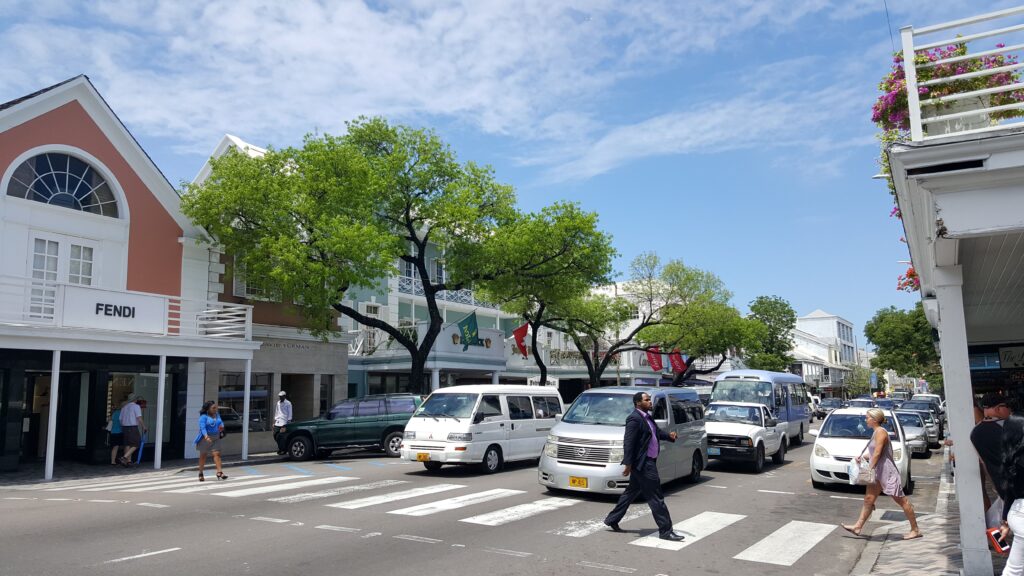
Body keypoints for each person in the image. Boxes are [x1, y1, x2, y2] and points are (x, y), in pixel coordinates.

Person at [604, 392, 685, 541]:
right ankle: (666, 531)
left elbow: (655, 433)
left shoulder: (647, 418)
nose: (650, 402)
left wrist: (669, 436)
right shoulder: (634, 419)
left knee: (630, 493)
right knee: (656, 497)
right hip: (644, 464)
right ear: (637, 403)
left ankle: (612, 519)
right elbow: (628, 443)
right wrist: (628, 465)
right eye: (647, 400)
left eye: (649, 400)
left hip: (648, 462)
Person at [842, 408, 921, 540]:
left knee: (901, 500)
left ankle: (915, 529)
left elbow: (878, 453)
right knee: (869, 499)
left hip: (886, 472)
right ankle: (858, 526)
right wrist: (863, 457)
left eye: (867, 418)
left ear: (873, 419)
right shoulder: (876, 432)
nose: (865, 420)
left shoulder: (881, 433)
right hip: (878, 472)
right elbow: (874, 453)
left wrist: (870, 468)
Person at [194, 401, 228, 482]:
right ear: (208, 409)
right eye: (213, 408)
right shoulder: (203, 417)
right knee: (203, 455)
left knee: (217, 454)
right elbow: (202, 428)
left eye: (216, 407)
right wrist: (206, 436)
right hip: (205, 437)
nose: (215, 409)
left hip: (216, 436)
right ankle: (201, 473)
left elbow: (221, 423)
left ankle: (219, 472)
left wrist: (221, 427)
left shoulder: (217, 415)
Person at [118, 394, 147, 467]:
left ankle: (128, 461)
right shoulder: (136, 406)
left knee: (127, 444)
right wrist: (144, 427)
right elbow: (139, 418)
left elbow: (120, 419)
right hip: (132, 427)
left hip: (124, 427)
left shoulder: (124, 407)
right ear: (136, 400)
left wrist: (123, 426)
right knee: (136, 443)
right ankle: (124, 458)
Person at [274, 390, 293, 455]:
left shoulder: (288, 403)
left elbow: (290, 413)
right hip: (278, 421)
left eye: (281, 396)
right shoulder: (278, 403)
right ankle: (281, 448)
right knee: (275, 435)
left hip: (284, 422)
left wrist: (288, 421)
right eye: (279, 396)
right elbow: (277, 412)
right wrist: (275, 420)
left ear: (284, 396)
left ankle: (283, 450)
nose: (280, 398)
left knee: (281, 436)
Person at [107, 401, 124, 466]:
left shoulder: (115, 413)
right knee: (118, 446)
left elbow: (110, 420)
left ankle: (113, 461)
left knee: (115, 447)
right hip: (119, 431)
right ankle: (116, 461)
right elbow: (121, 423)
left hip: (113, 432)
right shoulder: (121, 413)